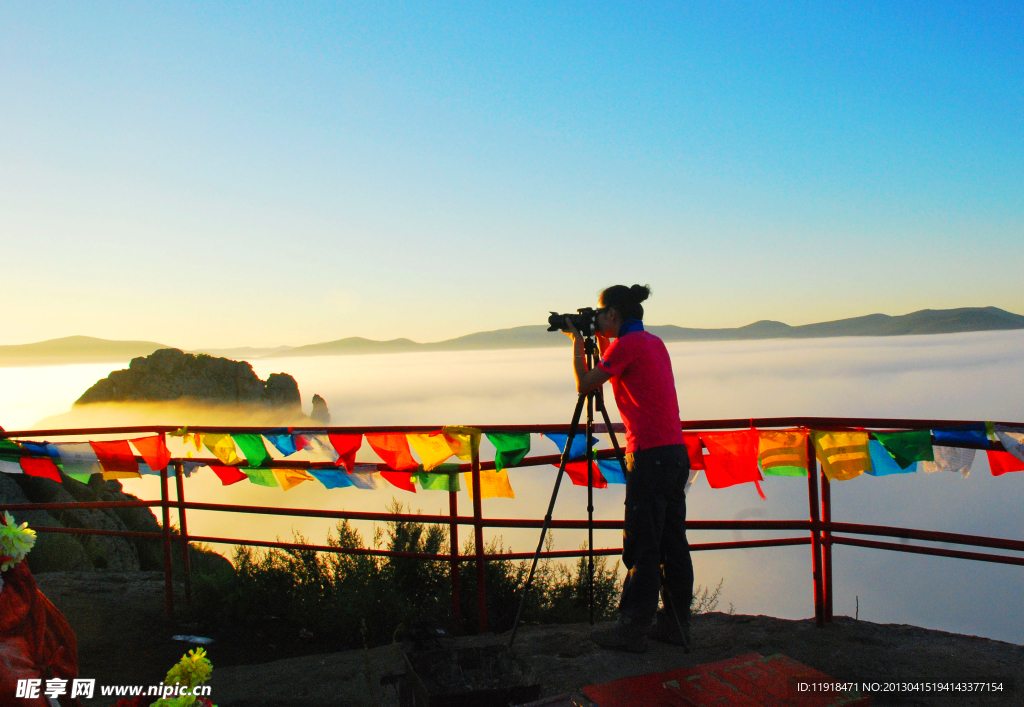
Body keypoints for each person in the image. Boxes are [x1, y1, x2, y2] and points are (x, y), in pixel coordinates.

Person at [564, 284, 692, 654]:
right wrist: (597, 335)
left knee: (642, 543)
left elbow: (586, 384)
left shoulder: (627, 345)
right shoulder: (652, 342)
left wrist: (576, 341)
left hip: (649, 455)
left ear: (614, 315)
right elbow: (615, 358)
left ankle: (632, 629)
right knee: (672, 542)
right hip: (674, 452)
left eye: (601, 315)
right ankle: (675, 625)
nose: (598, 320)